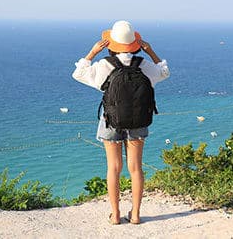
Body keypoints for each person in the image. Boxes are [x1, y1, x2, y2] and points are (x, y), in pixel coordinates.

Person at [72, 20, 170, 225]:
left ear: (111, 44)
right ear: (134, 44)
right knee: (136, 168)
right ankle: (135, 215)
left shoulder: (104, 65)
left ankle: (115, 215)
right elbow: (164, 73)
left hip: (110, 122)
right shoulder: (144, 65)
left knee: (113, 168)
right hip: (138, 121)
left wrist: (91, 53)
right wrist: (151, 51)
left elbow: (78, 74)